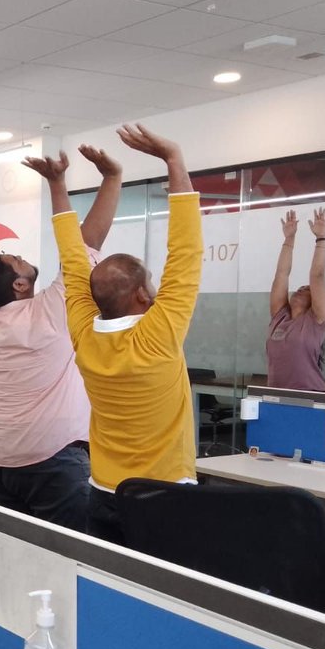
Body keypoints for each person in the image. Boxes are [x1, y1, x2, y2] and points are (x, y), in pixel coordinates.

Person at [0, 144, 120, 530]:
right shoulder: (52, 313)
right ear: (21, 284)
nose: (15, 253)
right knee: (71, 554)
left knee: (15, 547)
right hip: (50, 456)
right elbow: (84, 244)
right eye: (14, 258)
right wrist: (96, 179)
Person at [50, 124, 201, 544]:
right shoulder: (160, 333)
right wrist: (173, 159)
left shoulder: (85, 336)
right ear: (141, 294)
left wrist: (58, 185)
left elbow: (73, 262)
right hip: (164, 495)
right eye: (150, 282)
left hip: (103, 493)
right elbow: (186, 251)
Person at [267, 208, 325, 391]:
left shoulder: (316, 320)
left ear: (314, 302)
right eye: (300, 288)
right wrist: (289, 239)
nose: (301, 289)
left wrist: (321, 239)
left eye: (307, 290)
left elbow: (317, 275)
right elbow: (282, 274)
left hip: (311, 396)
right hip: (276, 395)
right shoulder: (280, 316)